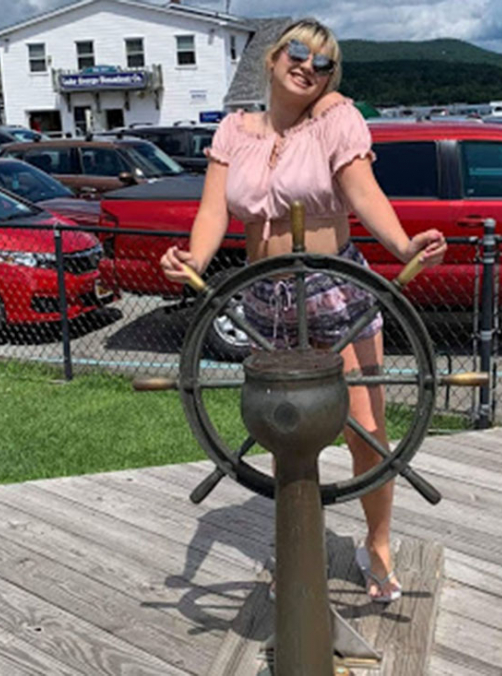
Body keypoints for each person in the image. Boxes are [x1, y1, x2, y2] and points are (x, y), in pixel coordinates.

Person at [160, 18, 446, 603]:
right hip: (265, 296)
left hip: (334, 288)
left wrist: (401, 246)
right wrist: (194, 255)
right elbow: (215, 211)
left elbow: (364, 192)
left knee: (366, 429)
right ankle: (297, 535)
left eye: (324, 63)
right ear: (270, 58)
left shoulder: (337, 120)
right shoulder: (234, 132)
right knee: (283, 428)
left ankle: (379, 541)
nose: (308, 66)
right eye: (298, 51)